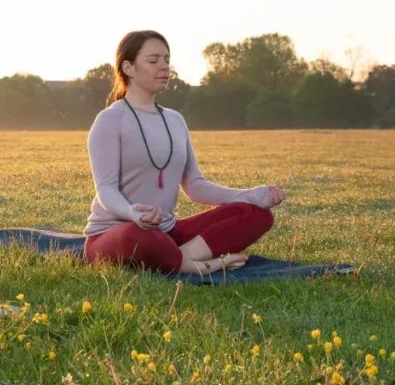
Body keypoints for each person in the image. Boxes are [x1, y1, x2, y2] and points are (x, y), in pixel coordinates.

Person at [82, 30, 285, 274]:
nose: (164, 67)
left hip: (165, 233)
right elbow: (105, 189)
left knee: (255, 215)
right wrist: (131, 212)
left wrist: (250, 195)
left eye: (167, 60)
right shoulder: (110, 120)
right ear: (129, 68)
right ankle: (204, 265)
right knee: (141, 236)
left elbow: (195, 185)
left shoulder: (175, 120)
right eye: (153, 60)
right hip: (117, 234)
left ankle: (179, 260)